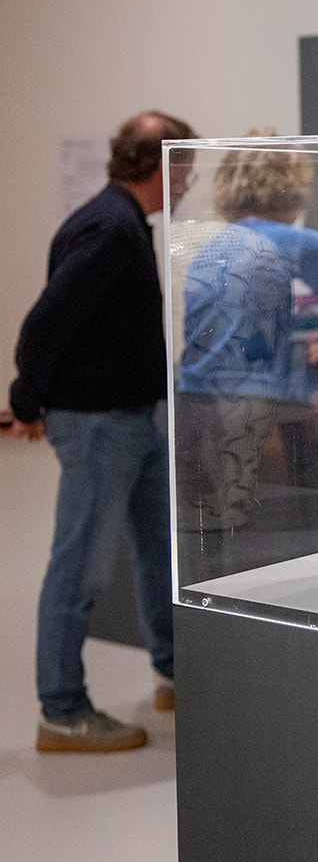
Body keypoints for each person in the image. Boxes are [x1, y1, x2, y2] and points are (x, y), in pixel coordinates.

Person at [4, 110, 194, 752]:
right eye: (185, 166)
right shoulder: (111, 229)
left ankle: (174, 673)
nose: (187, 181)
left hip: (130, 419)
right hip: (101, 426)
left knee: (158, 549)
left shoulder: (119, 222)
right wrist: (27, 402)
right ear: (161, 164)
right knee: (80, 566)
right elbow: (44, 325)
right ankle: (62, 712)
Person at [175, 134, 318, 528]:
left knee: (218, 543)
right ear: (297, 186)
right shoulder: (309, 247)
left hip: (196, 417)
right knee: (282, 541)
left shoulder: (208, 248)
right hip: (276, 425)